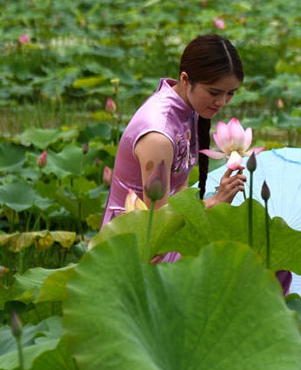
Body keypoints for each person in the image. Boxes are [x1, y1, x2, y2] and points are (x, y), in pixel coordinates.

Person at [101, 34, 247, 227]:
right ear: (185, 80)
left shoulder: (188, 109)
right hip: (132, 242)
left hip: (165, 231)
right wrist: (214, 202)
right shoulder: (158, 136)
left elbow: (180, 189)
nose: (222, 102)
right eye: (214, 93)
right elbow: (159, 222)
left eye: (230, 93)